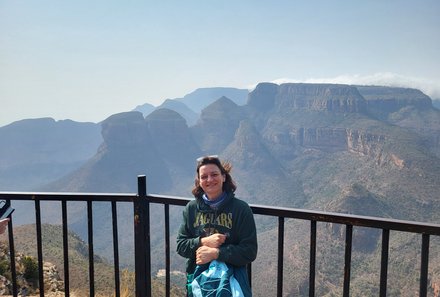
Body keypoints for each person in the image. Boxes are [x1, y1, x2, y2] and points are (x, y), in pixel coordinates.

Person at [176, 155, 258, 296]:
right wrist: (203, 242)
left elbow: (249, 251)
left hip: (231, 282)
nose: (209, 180)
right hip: (198, 282)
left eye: (214, 174)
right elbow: (181, 246)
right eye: (204, 176)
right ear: (199, 181)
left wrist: (217, 254)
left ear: (224, 177)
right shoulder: (192, 208)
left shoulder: (240, 209)